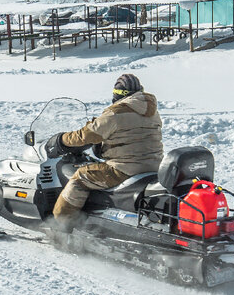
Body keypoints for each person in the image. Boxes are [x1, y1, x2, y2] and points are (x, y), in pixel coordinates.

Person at [50, 73, 163, 226]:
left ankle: (61, 224)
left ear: (117, 94)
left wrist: (61, 140)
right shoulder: (152, 112)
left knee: (80, 177)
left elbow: (85, 135)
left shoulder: (116, 113)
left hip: (124, 169)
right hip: (154, 167)